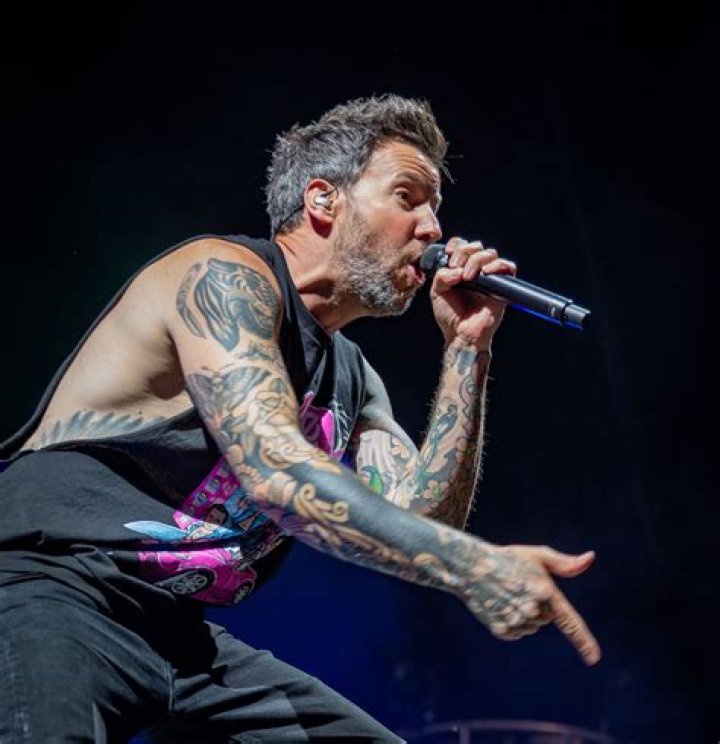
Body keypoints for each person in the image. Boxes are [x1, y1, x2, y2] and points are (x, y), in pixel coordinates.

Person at [0, 94, 600, 743]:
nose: (432, 229)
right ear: (323, 200)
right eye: (408, 197)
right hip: (47, 585)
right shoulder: (222, 277)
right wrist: (474, 566)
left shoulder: (353, 378)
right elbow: (276, 473)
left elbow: (422, 523)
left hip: (178, 632)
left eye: (435, 209)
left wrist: (466, 350)